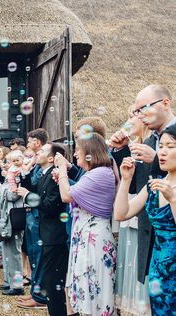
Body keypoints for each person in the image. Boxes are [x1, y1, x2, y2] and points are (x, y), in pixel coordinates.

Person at [110, 85, 174, 288]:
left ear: (165, 103)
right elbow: (135, 188)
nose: (139, 116)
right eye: (137, 111)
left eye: (143, 109)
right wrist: (120, 152)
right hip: (154, 244)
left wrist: (155, 158)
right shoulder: (148, 141)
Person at [114, 123, 176, 315]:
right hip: (158, 268)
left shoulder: (166, 190)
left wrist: (173, 199)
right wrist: (125, 180)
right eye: (161, 146)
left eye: (170, 146)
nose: (163, 152)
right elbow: (121, 214)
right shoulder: (155, 185)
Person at [55, 132, 117, 315]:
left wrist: (62, 170)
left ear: (90, 152)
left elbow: (66, 195)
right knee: (86, 287)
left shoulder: (100, 173)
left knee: (95, 289)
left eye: (79, 150)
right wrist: (64, 176)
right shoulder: (95, 173)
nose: (75, 154)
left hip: (94, 239)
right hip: (85, 235)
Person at [17, 143, 68, 313]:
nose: (38, 153)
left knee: (52, 281)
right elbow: (33, 190)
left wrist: (27, 196)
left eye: (42, 151)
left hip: (55, 236)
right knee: (49, 280)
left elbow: (49, 206)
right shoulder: (45, 174)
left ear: (51, 158)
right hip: (46, 233)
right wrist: (24, 174)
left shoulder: (55, 177)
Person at [114, 105, 152, 314]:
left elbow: (141, 183)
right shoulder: (136, 145)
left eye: (133, 116)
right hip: (130, 208)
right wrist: (120, 150)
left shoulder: (152, 145)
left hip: (144, 213)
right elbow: (125, 179)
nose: (129, 121)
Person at [0, 150, 24, 295]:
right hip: (7, 217)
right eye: (8, 161)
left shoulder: (19, 175)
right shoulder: (11, 175)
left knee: (14, 252)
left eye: (10, 162)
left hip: (14, 217)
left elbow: (12, 195)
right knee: (6, 250)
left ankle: (17, 286)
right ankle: (8, 281)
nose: (7, 164)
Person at [22, 128, 48, 307]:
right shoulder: (36, 161)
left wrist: (29, 167)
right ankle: (33, 292)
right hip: (32, 211)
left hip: (39, 214)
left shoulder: (42, 160)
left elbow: (35, 185)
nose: (28, 145)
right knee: (32, 252)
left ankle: (39, 297)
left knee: (38, 254)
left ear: (37, 143)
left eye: (30, 141)